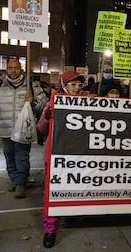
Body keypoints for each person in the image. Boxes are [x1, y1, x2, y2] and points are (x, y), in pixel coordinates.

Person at [0, 58, 48, 198]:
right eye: (10, 68)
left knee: (22, 157)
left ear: (21, 69)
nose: (13, 70)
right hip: (5, 129)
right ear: (7, 69)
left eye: (16, 68)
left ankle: (20, 184)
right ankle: (15, 179)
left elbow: (44, 103)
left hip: (24, 129)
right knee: (9, 157)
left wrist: (33, 101)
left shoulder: (31, 84)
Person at [37, 71, 85, 248]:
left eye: (80, 85)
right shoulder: (54, 103)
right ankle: (50, 229)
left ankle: (70, 215)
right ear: (64, 85)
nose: (77, 88)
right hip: (56, 154)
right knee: (52, 191)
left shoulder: (87, 102)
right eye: (73, 84)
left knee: (75, 186)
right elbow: (41, 128)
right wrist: (48, 114)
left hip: (79, 155)